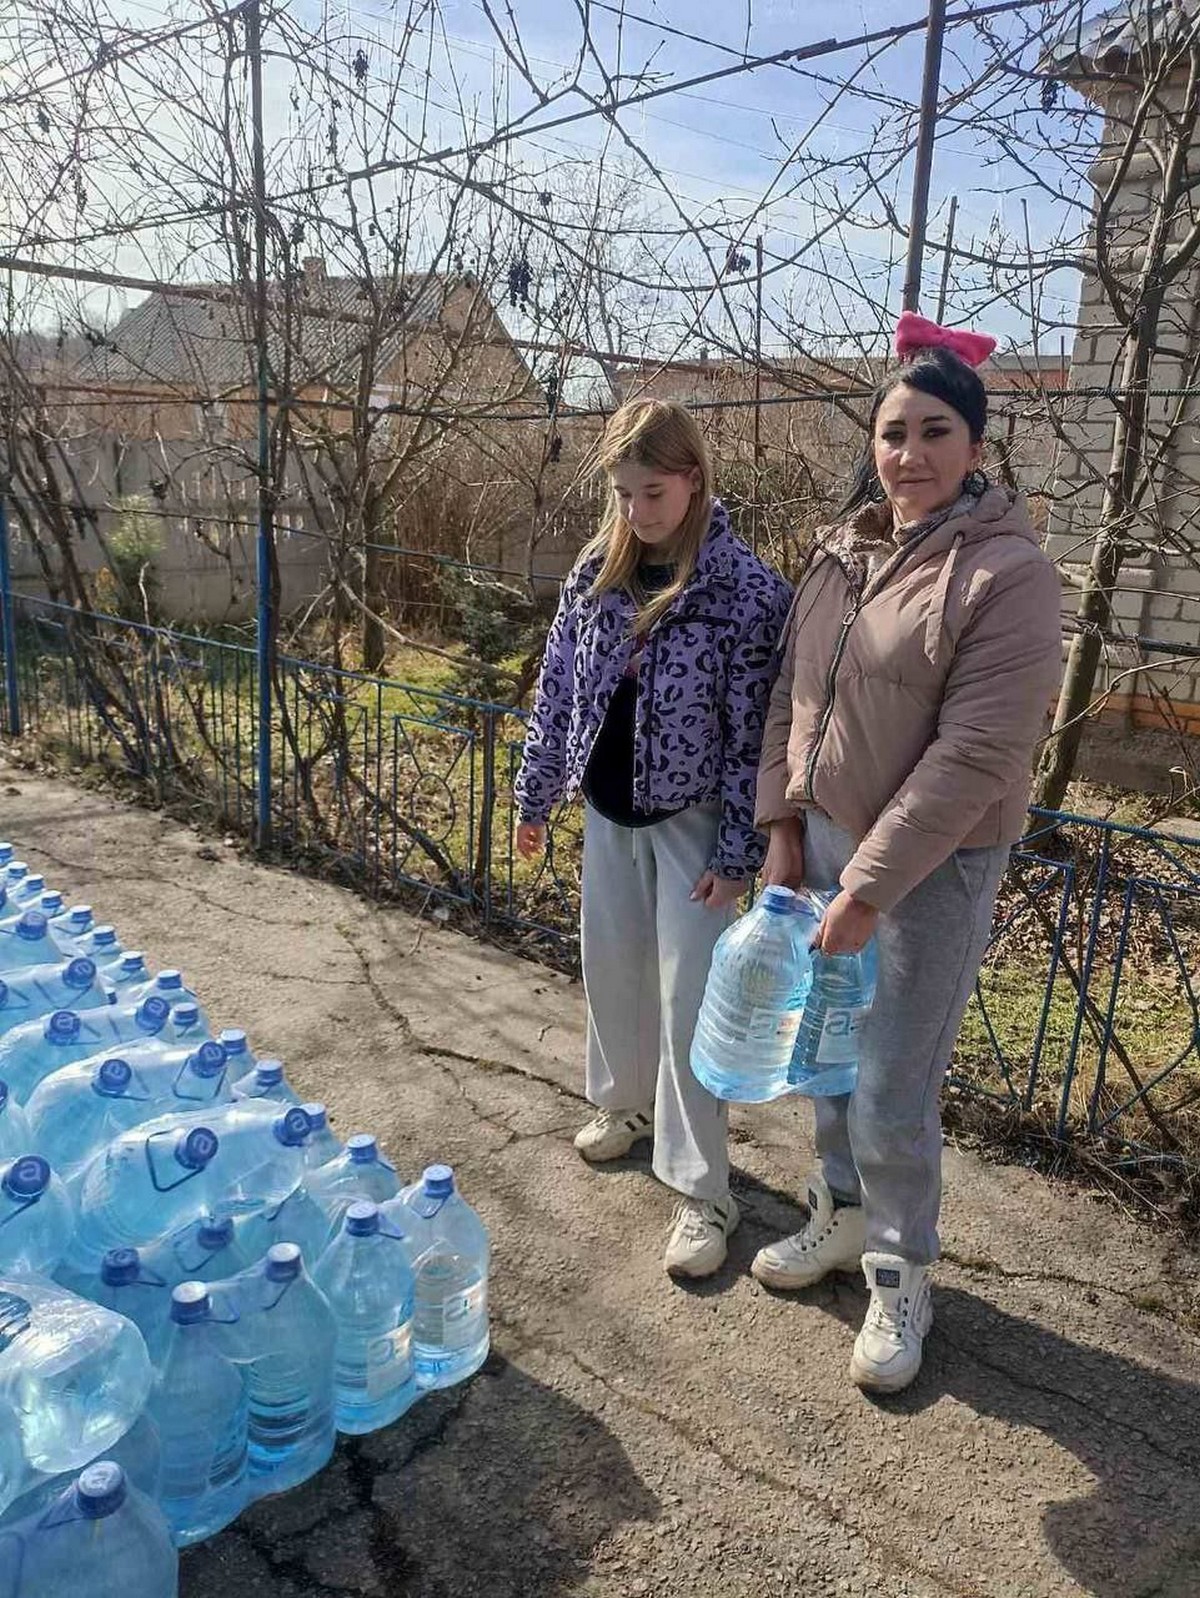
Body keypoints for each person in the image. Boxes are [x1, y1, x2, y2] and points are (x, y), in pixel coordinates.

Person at [752, 311, 1063, 1393]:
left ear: (976, 447)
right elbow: (794, 698)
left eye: (936, 432)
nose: (909, 455)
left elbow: (977, 752)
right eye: (893, 433)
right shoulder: (843, 550)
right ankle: (835, 1214)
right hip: (826, 845)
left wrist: (869, 889)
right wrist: (784, 827)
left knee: (890, 1084)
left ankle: (899, 1266)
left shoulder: (1006, 575)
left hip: (932, 870)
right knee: (825, 1061)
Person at [515, 399, 792, 1279]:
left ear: (695, 480)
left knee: (688, 1010)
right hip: (607, 812)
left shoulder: (744, 593)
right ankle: (625, 1107)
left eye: (655, 493)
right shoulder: (599, 570)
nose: (638, 512)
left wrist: (738, 852)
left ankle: (705, 1188)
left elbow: (757, 733)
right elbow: (558, 685)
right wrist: (535, 794)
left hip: (694, 830)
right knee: (613, 973)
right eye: (625, 494)